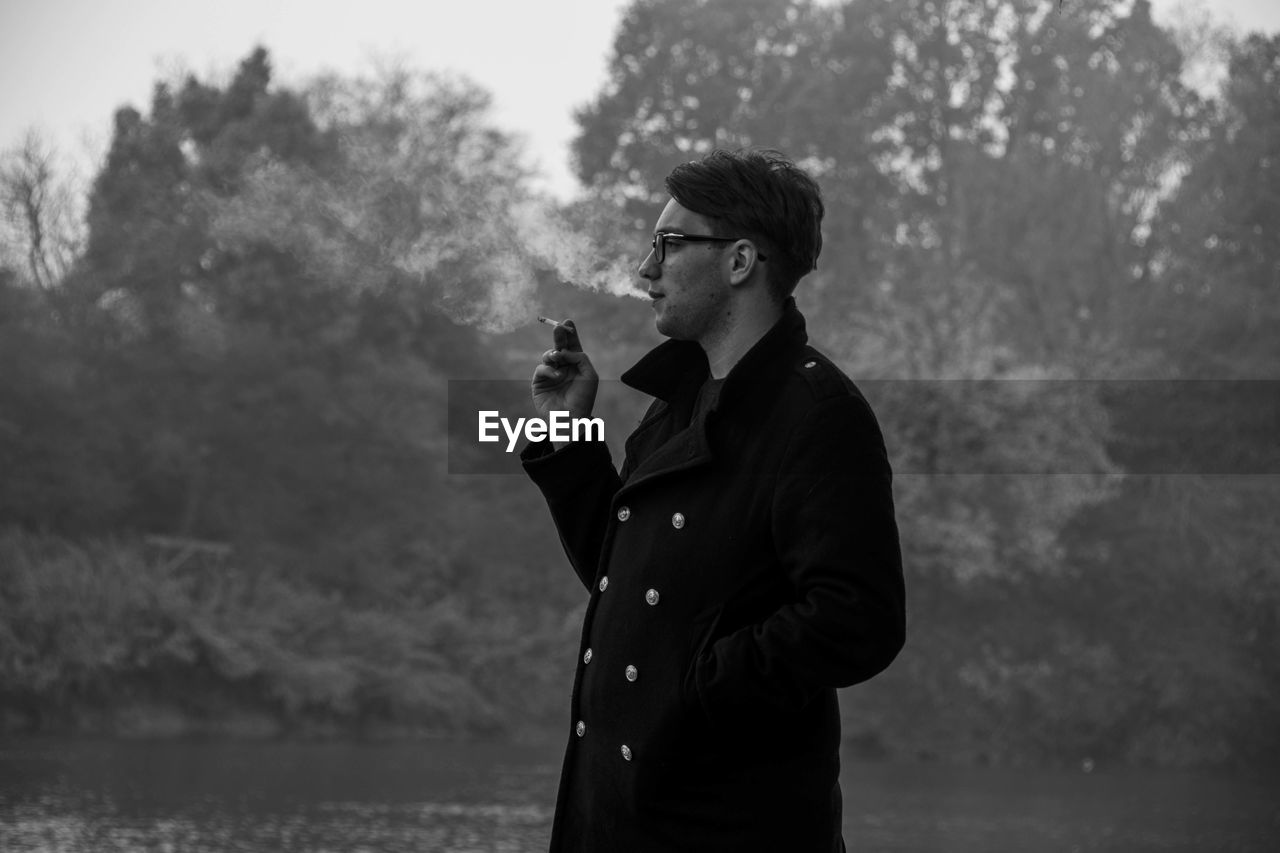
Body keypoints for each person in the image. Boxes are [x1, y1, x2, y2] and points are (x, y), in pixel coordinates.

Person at [521, 148, 905, 852]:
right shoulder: (676, 408)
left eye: (668, 245)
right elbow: (626, 580)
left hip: (726, 825)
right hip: (615, 819)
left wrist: (695, 684)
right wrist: (566, 432)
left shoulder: (820, 414)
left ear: (739, 262)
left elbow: (860, 618)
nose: (645, 270)